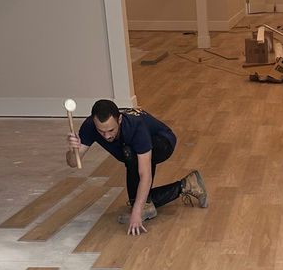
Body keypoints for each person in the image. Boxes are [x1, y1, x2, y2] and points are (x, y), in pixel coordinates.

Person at [66, 99, 207, 235]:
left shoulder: (135, 127)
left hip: (162, 142)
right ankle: (187, 184)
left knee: (130, 154)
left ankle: (146, 206)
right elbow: (73, 163)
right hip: (132, 149)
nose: (107, 136)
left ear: (119, 120)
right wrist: (74, 149)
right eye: (101, 131)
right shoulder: (90, 126)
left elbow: (145, 175)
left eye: (110, 130)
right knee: (132, 167)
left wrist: (136, 213)